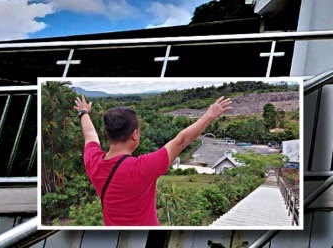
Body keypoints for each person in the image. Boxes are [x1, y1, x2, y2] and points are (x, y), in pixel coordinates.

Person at [77, 93, 232, 226]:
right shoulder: (142, 167)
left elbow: (90, 135)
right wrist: (210, 115)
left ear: (109, 134)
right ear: (135, 135)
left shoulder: (93, 162)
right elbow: (181, 140)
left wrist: (84, 112)